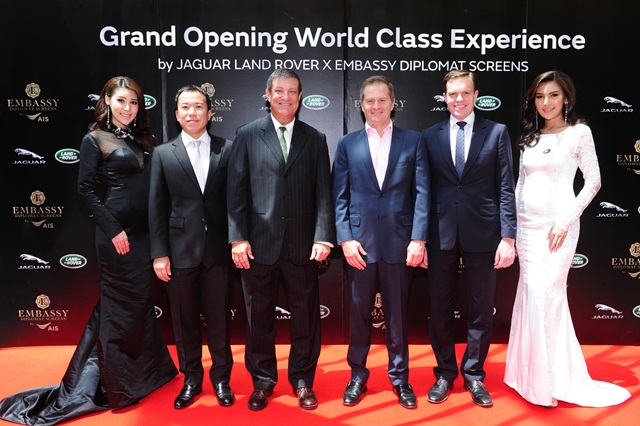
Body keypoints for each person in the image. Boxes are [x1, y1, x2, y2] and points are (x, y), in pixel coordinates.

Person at [0, 76, 178, 425]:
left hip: (144, 233)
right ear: (107, 101)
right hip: (116, 234)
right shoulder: (94, 139)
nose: (128, 108)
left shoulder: (145, 138)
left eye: (134, 102)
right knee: (118, 307)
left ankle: (147, 374)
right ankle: (117, 385)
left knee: (138, 304)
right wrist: (114, 230)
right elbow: (84, 189)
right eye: (122, 101)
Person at [504, 70, 631, 407]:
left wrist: (563, 221)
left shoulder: (579, 133)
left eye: (554, 95)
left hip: (557, 229)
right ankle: (524, 376)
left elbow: (594, 182)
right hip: (527, 229)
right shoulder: (530, 137)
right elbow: (520, 184)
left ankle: (550, 381)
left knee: (547, 297)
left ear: (567, 99)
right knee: (530, 296)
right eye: (540, 96)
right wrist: (512, 228)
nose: (546, 102)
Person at [227, 68, 334, 411]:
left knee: (306, 319)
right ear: (268, 94)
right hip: (258, 245)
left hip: (303, 246)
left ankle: (303, 380)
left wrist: (323, 237)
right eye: (279, 91)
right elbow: (236, 191)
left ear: (300, 97)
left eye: (292, 92)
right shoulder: (246, 135)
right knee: (258, 319)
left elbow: (323, 193)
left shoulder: (315, 138)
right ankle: (262, 381)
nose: (285, 97)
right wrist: (237, 238)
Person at [332, 76, 429, 409]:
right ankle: (357, 376)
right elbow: (339, 196)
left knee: (397, 318)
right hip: (359, 246)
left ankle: (400, 379)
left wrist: (418, 238)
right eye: (370, 101)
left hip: (400, 245)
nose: (376, 106)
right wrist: (345, 239)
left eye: (382, 100)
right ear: (361, 105)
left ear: (393, 103)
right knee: (359, 315)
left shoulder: (413, 141)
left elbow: (422, 193)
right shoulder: (347, 144)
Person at [421, 69, 517, 407]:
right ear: (444, 97)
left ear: (476, 96)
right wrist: (420, 238)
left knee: (481, 310)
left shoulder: (497, 132)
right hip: (439, 234)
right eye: (452, 94)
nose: (458, 99)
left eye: (465, 93)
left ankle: (474, 375)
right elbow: (422, 189)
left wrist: (508, 236)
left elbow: (505, 187)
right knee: (440, 309)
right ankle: (445, 373)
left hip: (484, 233)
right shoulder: (429, 136)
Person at [148, 85, 235, 409]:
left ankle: (222, 379)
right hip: (179, 250)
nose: (192, 112)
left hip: (218, 250)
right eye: (185, 107)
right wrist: (159, 253)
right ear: (176, 114)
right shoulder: (162, 154)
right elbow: (156, 207)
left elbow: (236, 201)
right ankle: (191, 379)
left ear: (210, 113)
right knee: (184, 321)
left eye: (198, 107)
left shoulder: (227, 149)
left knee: (219, 319)